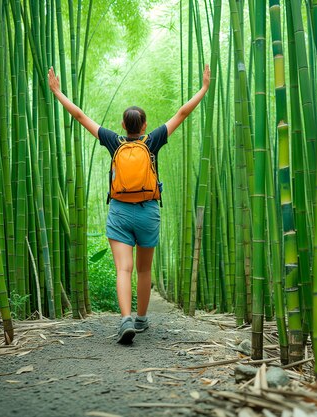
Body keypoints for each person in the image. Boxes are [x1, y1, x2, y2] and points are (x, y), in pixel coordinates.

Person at [48, 64, 211, 344]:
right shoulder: (153, 141)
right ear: (145, 125)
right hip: (148, 211)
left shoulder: (113, 141)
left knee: (123, 269)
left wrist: (57, 92)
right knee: (144, 269)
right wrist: (204, 88)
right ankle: (142, 319)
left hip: (120, 211)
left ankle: (125, 319)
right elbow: (182, 112)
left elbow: (79, 115)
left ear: (123, 125)